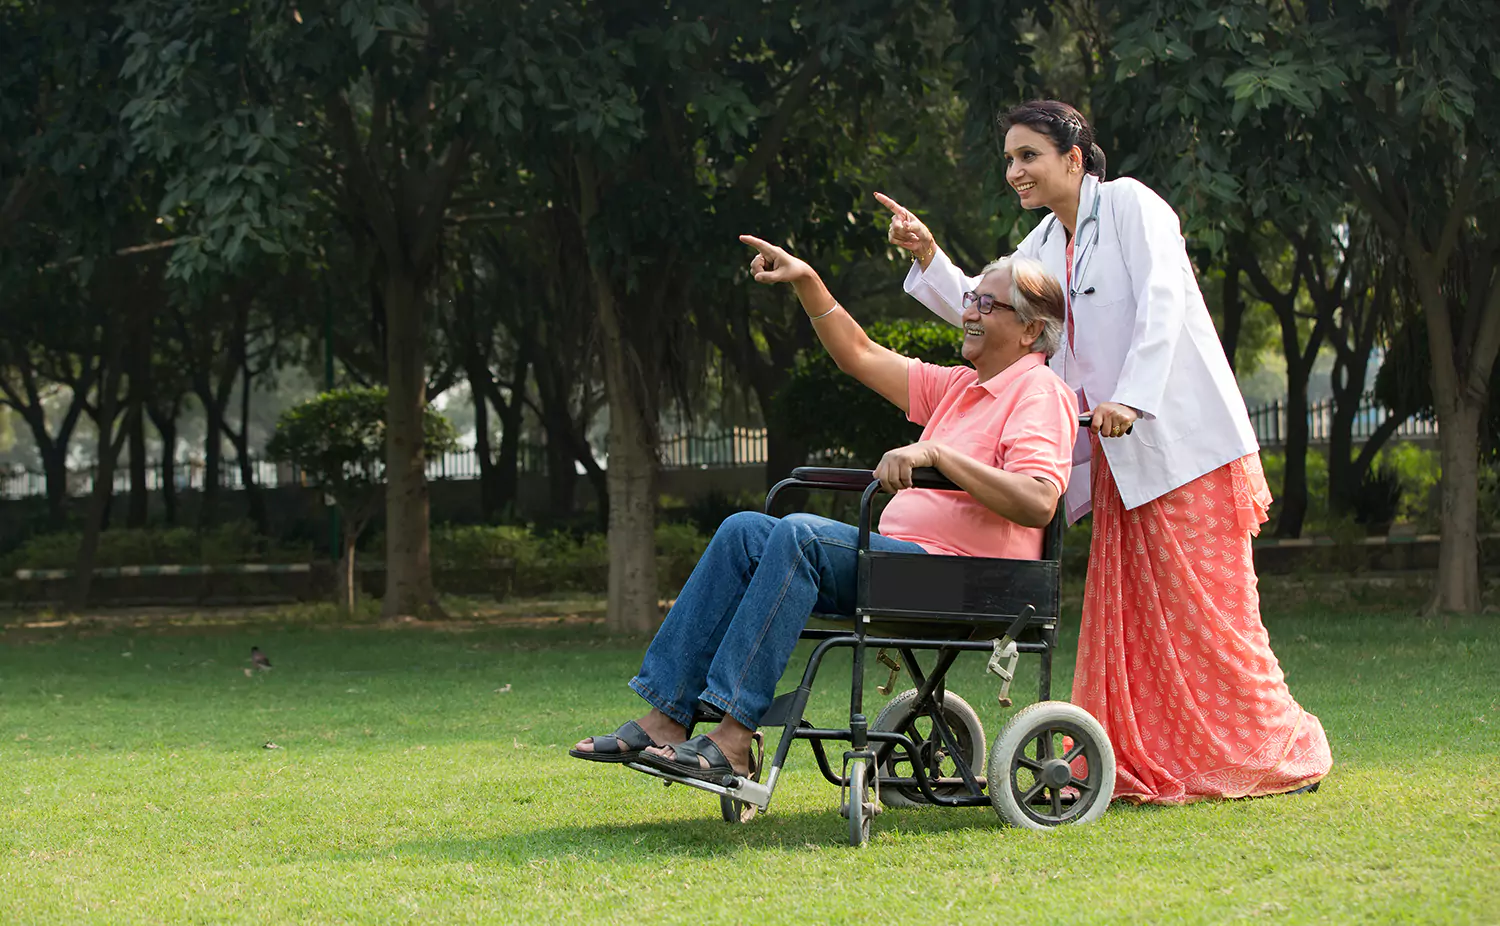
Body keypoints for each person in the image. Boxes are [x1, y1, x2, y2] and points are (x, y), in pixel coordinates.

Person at [882, 99, 1331, 803]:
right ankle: (1153, 757)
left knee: (1212, 618)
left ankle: (1270, 748)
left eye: (1028, 155)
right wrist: (927, 255)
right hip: (1117, 460)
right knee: (1143, 626)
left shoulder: (1131, 206)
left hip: (1183, 445)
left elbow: (1165, 301)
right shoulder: (1036, 249)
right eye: (1008, 158)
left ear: (1074, 156)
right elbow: (986, 306)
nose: (1015, 171)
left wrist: (1134, 396)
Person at [570, 236, 1079, 782]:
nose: (968, 310)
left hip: (968, 579)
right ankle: (668, 715)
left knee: (801, 535)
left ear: (1030, 330)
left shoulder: (1040, 393)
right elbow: (858, 354)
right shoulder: (958, 387)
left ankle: (734, 736)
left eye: (986, 303)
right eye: (971, 297)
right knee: (744, 531)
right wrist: (807, 280)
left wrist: (938, 454)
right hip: (907, 567)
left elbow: (1038, 500)